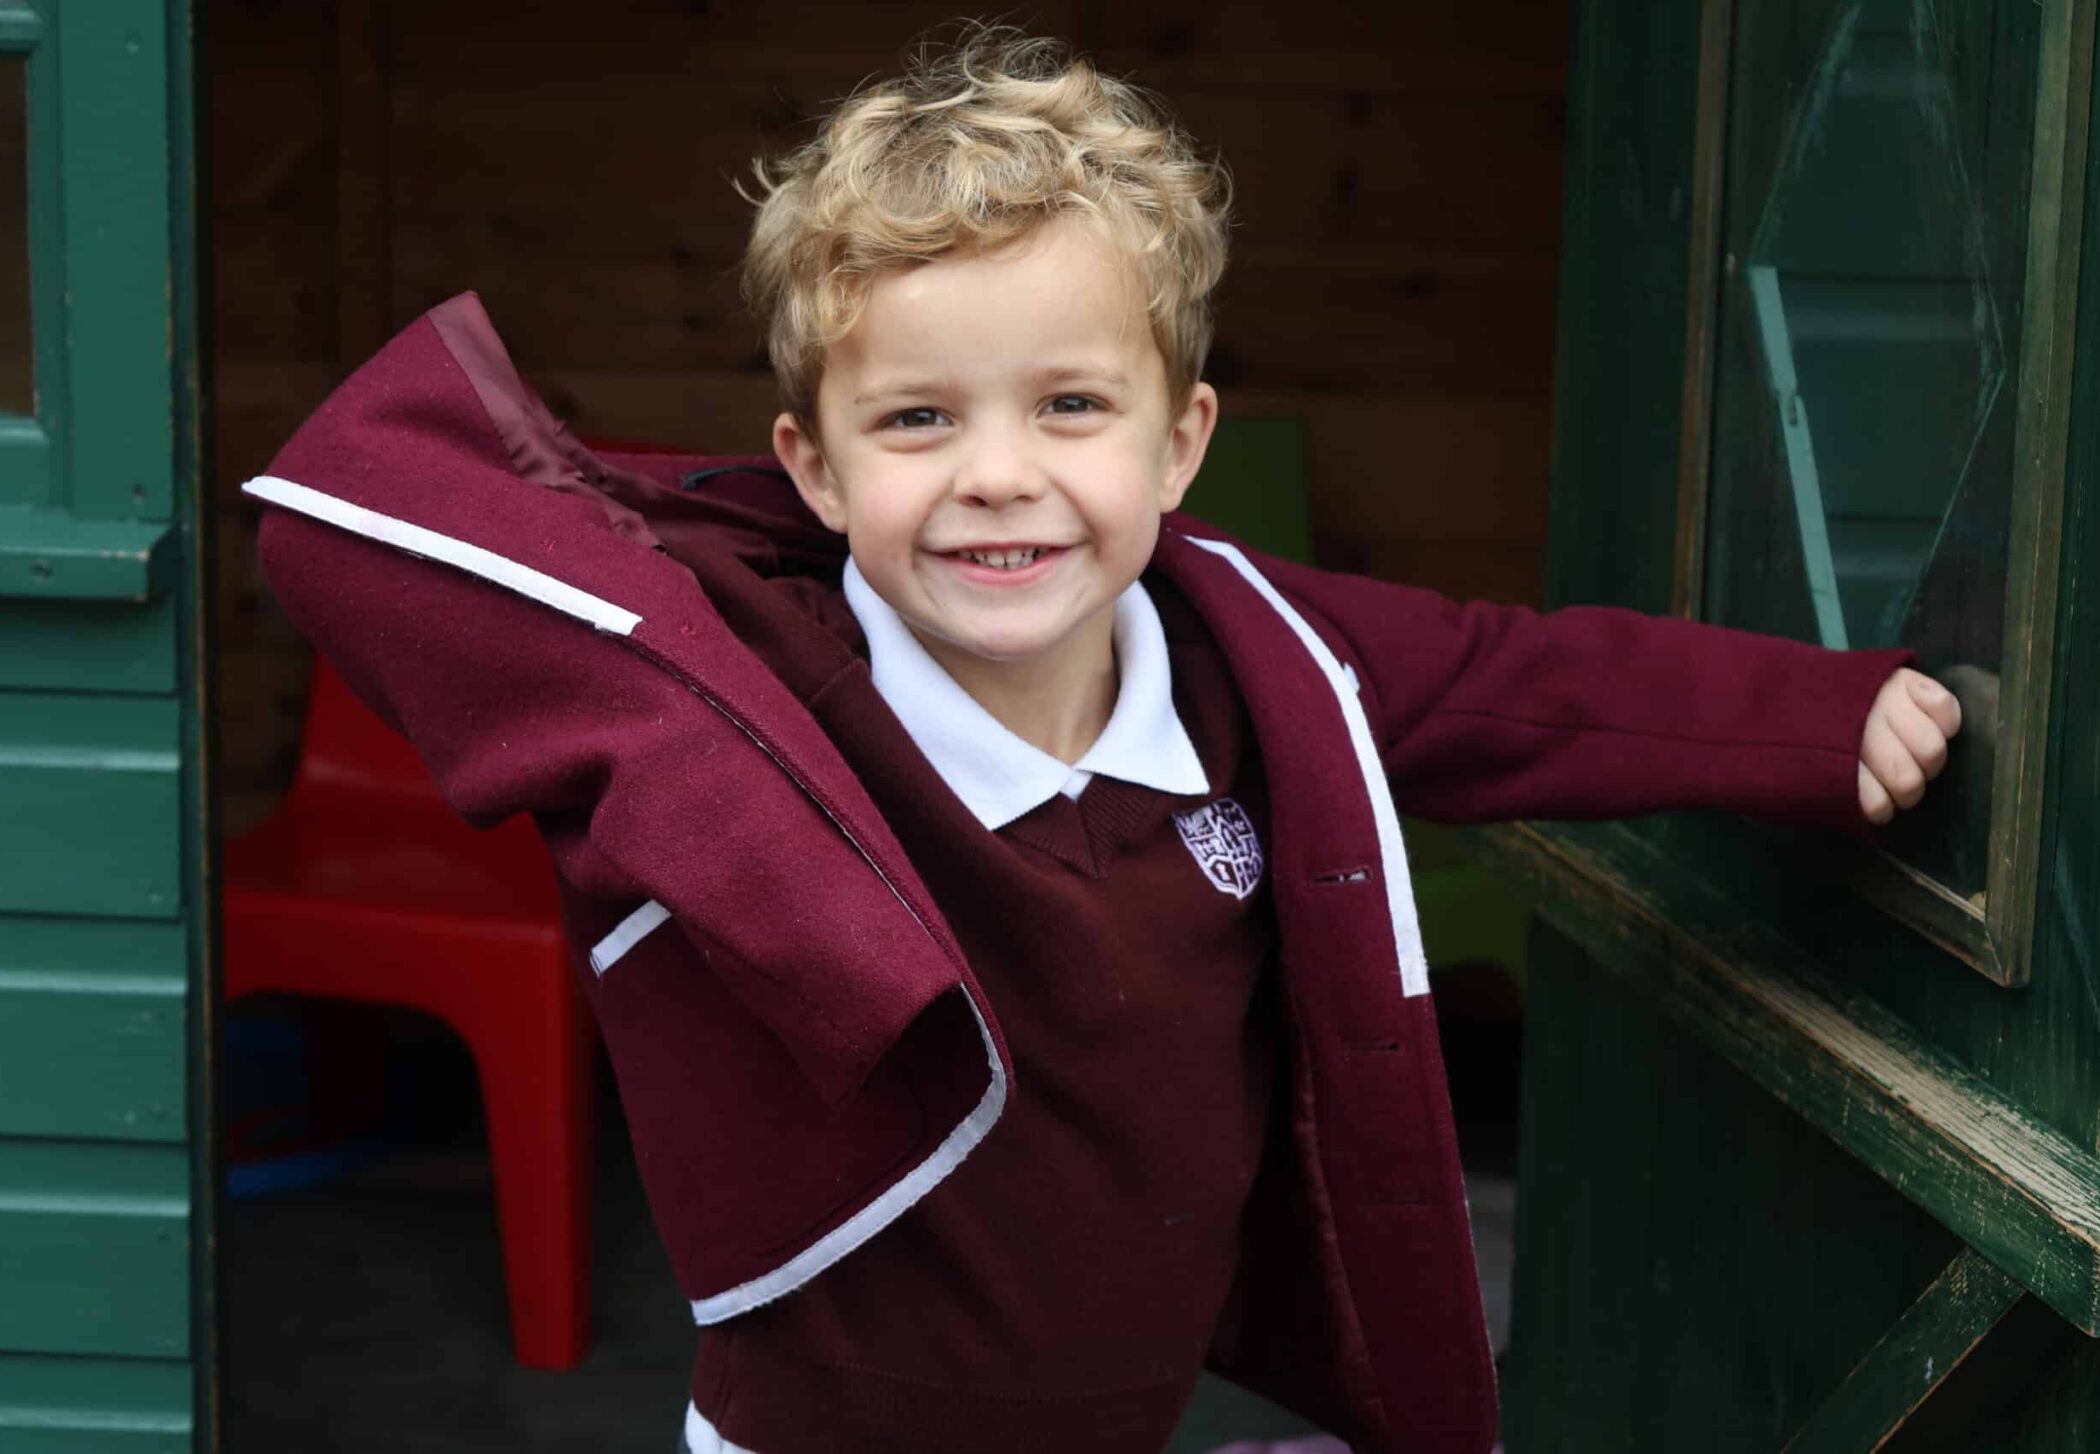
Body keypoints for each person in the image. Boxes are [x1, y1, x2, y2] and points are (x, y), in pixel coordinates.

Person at [240, 27, 1961, 1454]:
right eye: (917, 419)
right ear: (816, 468)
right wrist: (697, 627)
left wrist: (1818, 717)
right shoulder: (745, 674)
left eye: (1071, 404)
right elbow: (347, 522)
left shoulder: (1258, 652)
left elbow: (1524, 684)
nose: (999, 472)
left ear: (1179, 437)